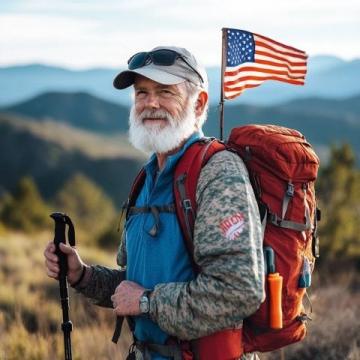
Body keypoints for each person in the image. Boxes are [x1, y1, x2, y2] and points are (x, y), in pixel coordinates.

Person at [44, 46, 264, 360]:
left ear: (199, 103)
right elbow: (131, 286)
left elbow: (240, 291)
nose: (151, 103)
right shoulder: (147, 179)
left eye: (165, 91)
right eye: (141, 92)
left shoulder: (217, 174)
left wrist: (148, 302)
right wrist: (82, 275)